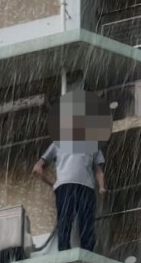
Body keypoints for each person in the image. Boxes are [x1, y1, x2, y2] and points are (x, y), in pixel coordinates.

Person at [32, 90, 110, 252]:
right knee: (69, 222)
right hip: (71, 186)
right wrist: (53, 183)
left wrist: (102, 186)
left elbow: (98, 169)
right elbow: (38, 168)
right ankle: (67, 251)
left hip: (82, 187)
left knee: (82, 222)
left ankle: (83, 251)